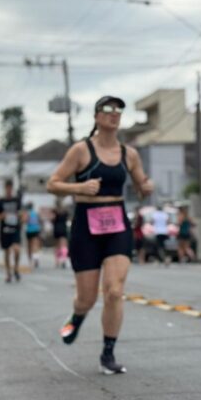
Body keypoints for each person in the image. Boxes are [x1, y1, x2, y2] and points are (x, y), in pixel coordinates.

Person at [47, 95, 154, 375]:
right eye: (107, 109)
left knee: (114, 291)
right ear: (96, 116)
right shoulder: (81, 151)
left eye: (119, 109)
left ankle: (108, 353)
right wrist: (79, 189)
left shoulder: (129, 154)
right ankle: (78, 316)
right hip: (86, 225)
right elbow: (53, 184)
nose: (114, 113)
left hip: (117, 223)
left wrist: (147, 187)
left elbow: (142, 184)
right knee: (86, 297)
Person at [0, 180, 22, 283]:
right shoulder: (0, 201)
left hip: (15, 228)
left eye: (11, 188)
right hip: (5, 229)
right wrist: (2, 216)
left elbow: (21, 212)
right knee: (7, 252)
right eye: (7, 188)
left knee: (17, 249)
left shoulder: (16, 200)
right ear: (5, 188)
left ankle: (16, 268)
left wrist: (21, 216)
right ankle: (8, 273)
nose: (9, 190)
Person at [52, 198, 70, 269]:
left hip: (56, 228)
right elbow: (68, 219)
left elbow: (52, 219)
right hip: (63, 228)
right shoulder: (65, 211)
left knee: (57, 245)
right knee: (64, 244)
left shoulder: (55, 211)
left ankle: (57, 260)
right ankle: (64, 259)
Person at [23, 203, 42, 269]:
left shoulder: (27, 213)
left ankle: (30, 261)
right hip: (36, 229)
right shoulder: (36, 213)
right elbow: (39, 221)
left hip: (29, 230)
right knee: (35, 246)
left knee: (29, 246)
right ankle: (36, 258)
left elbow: (25, 221)